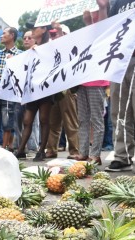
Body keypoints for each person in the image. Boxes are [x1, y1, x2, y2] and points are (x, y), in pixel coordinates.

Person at [95, 0, 135, 175]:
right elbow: (106, 30)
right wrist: (102, 8)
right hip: (120, 59)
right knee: (119, 112)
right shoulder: (117, 3)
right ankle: (122, 156)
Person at [16, 23, 55, 161]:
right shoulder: (32, 49)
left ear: (44, 30)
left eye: (34, 28)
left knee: (44, 119)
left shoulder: (51, 44)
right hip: (32, 89)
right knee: (27, 120)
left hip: (45, 88)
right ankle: (20, 150)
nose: (32, 31)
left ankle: (41, 151)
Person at [44, 24, 80, 159]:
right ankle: (51, 149)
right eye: (52, 35)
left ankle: (75, 150)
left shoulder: (71, 47)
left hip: (68, 88)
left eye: (57, 34)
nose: (54, 37)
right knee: (52, 122)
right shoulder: (49, 50)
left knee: (70, 121)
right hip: (53, 89)